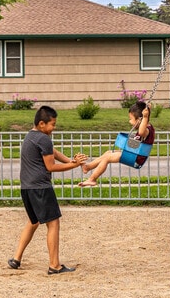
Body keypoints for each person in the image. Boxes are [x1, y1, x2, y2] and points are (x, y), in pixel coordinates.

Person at [8, 105, 88, 275]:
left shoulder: (31, 136)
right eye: (52, 124)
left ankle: (16, 259)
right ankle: (54, 265)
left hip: (27, 187)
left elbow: (51, 151)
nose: (54, 127)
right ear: (42, 124)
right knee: (53, 223)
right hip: (41, 188)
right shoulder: (44, 139)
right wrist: (73, 165)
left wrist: (70, 160)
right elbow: (50, 166)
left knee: (33, 221)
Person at [78, 101, 154, 187]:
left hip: (136, 160)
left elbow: (141, 132)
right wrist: (147, 111)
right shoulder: (145, 126)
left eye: (131, 119)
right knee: (108, 153)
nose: (130, 122)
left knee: (107, 158)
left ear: (139, 119)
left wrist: (145, 117)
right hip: (133, 155)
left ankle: (92, 179)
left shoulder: (146, 130)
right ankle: (87, 167)